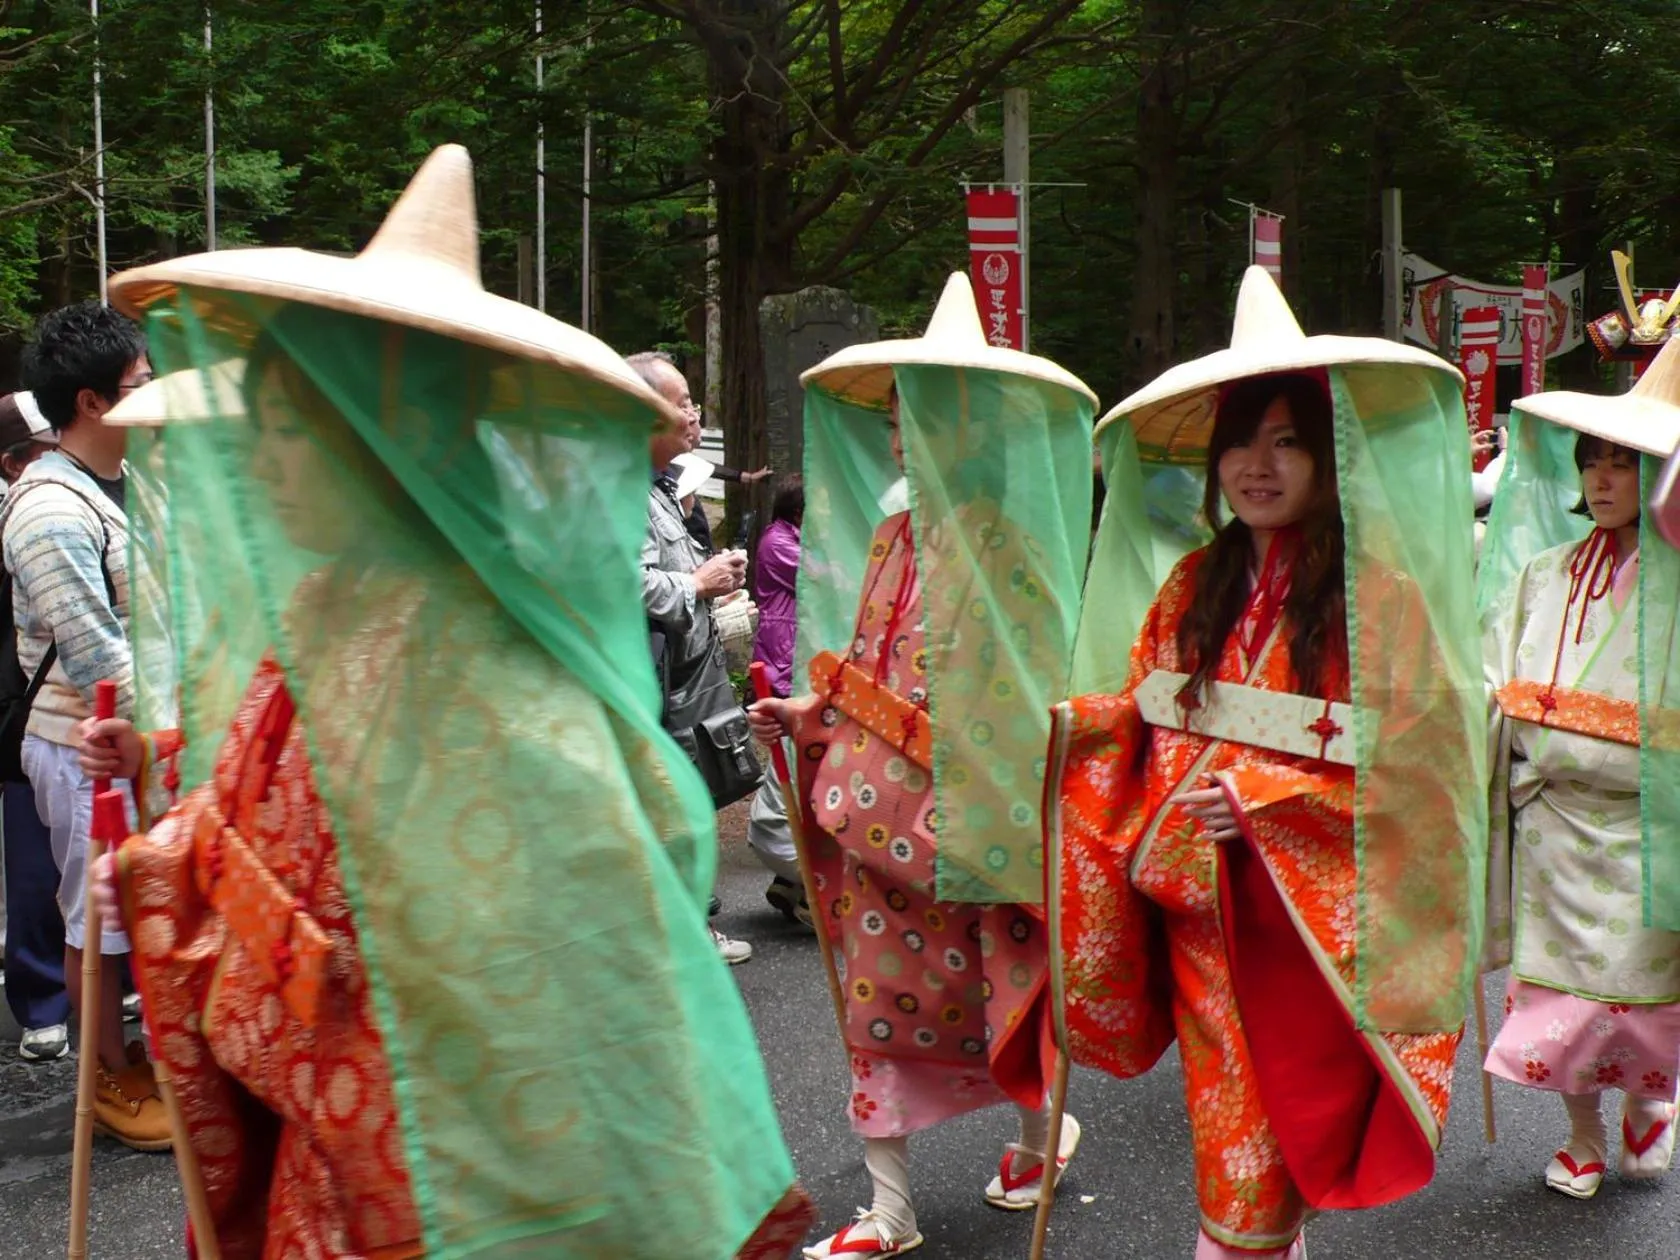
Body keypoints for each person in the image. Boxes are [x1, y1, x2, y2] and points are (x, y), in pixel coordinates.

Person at [79, 144, 814, 1259]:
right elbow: (247, 826)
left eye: (280, 426)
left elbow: (579, 990)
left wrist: (190, 890)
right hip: (339, 1170)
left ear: (376, 440)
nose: (254, 462)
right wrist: (153, 814)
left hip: (463, 1193)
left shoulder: (505, 672)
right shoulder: (320, 630)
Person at [1052, 268, 1485, 1257]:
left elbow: (1423, 765)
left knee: (1259, 1185)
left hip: (1315, 939)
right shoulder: (1191, 584)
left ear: (1329, 460)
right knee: (1245, 1174)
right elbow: (1145, 713)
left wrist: (1268, 799)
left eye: (1288, 440)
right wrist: (1076, 730)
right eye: (1242, 440)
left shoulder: (1379, 599)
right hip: (1207, 932)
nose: (1258, 463)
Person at [750, 274, 1096, 1259]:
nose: (903, 440)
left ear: (977, 433)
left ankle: (1036, 1139)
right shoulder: (894, 536)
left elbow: (1032, 693)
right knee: (874, 1004)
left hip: (972, 822)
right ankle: (888, 1209)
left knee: (1001, 990)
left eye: (925, 419)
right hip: (870, 812)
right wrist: (812, 710)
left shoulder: (1013, 551)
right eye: (898, 420)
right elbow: (868, 660)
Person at [1478, 334, 1680, 1199]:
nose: (1602, 480)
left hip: (1650, 821)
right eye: (1592, 463)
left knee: (1640, 999)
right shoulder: (1540, 572)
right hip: (1556, 816)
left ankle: (1646, 1107)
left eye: (1623, 465)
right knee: (1556, 1000)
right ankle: (1582, 1132)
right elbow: (1495, 673)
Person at [0, 304, 167, 1147]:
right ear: (95, 402)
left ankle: (131, 1052)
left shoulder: (134, 482)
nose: (156, 394)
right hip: (84, 744)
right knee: (92, 919)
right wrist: (178, 729)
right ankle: (104, 1077)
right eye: (142, 383)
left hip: (146, 736)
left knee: (133, 905)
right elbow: (102, 658)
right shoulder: (49, 510)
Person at [630, 349, 754, 964]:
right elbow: (625, 580)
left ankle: (686, 927)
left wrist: (710, 574)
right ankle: (681, 934)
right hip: (654, 680)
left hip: (681, 671)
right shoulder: (625, 487)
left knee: (685, 794)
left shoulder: (659, 487)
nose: (693, 413)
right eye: (680, 401)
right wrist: (698, 584)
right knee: (673, 801)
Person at [0, 389, 70, 1060]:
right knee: (30, 866)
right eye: (47, 451)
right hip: (20, 710)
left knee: (91, 854)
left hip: (64, 700)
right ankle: (41, 998)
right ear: (14, 460)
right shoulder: (24, 514)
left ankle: (104, 979)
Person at [745, 476, 806, 921]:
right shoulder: (778, 541)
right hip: (783, 657)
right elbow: (818, 575)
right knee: (792, 768)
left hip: (791, 651)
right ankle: (804, 883)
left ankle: (789, 882)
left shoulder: (788, 536)